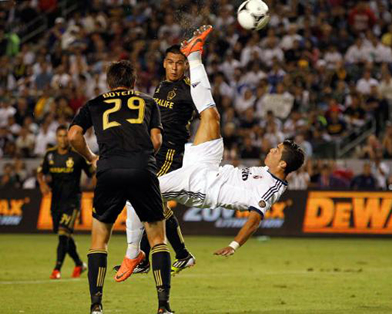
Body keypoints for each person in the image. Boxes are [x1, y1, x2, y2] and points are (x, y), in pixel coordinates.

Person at [117, 25, 305, 281]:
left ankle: (134, 255)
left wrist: (235, 244)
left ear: (282, 164)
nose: (271, 150)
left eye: (276, 151)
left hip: (202, 186)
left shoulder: (272, 188)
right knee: (211, 116)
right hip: (210, 166)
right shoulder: (268, 171)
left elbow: (255, 219)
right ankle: (195, 54)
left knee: (136, 194)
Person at [68, 60, 173, 314]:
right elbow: (157, 140)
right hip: (142, 170)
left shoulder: (93, 103)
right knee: (158, 239)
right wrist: (141, 157)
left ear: (109, 83)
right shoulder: (148, 102)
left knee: (99, 242)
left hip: (109, 170)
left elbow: (73, 135)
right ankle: (163, 306)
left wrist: (91, 157)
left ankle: (96, 306)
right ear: (133, 82)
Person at [113, 45, 196, 280]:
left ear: (186, 65)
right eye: (170, 62)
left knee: (148, 197)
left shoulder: (190, 90)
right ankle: (147, 258)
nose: (174, 67)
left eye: (179, 63)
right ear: (164, 63)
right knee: (147, 202)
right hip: (153, 150)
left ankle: (175, 254)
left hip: (171, 152)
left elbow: (208, 113)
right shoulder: (161, 86)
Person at [37, 125, 94, 280]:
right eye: (60, 136)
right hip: (56, 201)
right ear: (56, 137)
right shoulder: (50, 155)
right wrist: (42, 184)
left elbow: (92, 172)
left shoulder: (76, 156)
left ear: (69, 138)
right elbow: (40, 172)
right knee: (64, 236)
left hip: (72, 201)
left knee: (63, 234)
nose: (62, 139)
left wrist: (93, 184)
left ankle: (56, 269)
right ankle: (79, 264)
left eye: (65, 136)